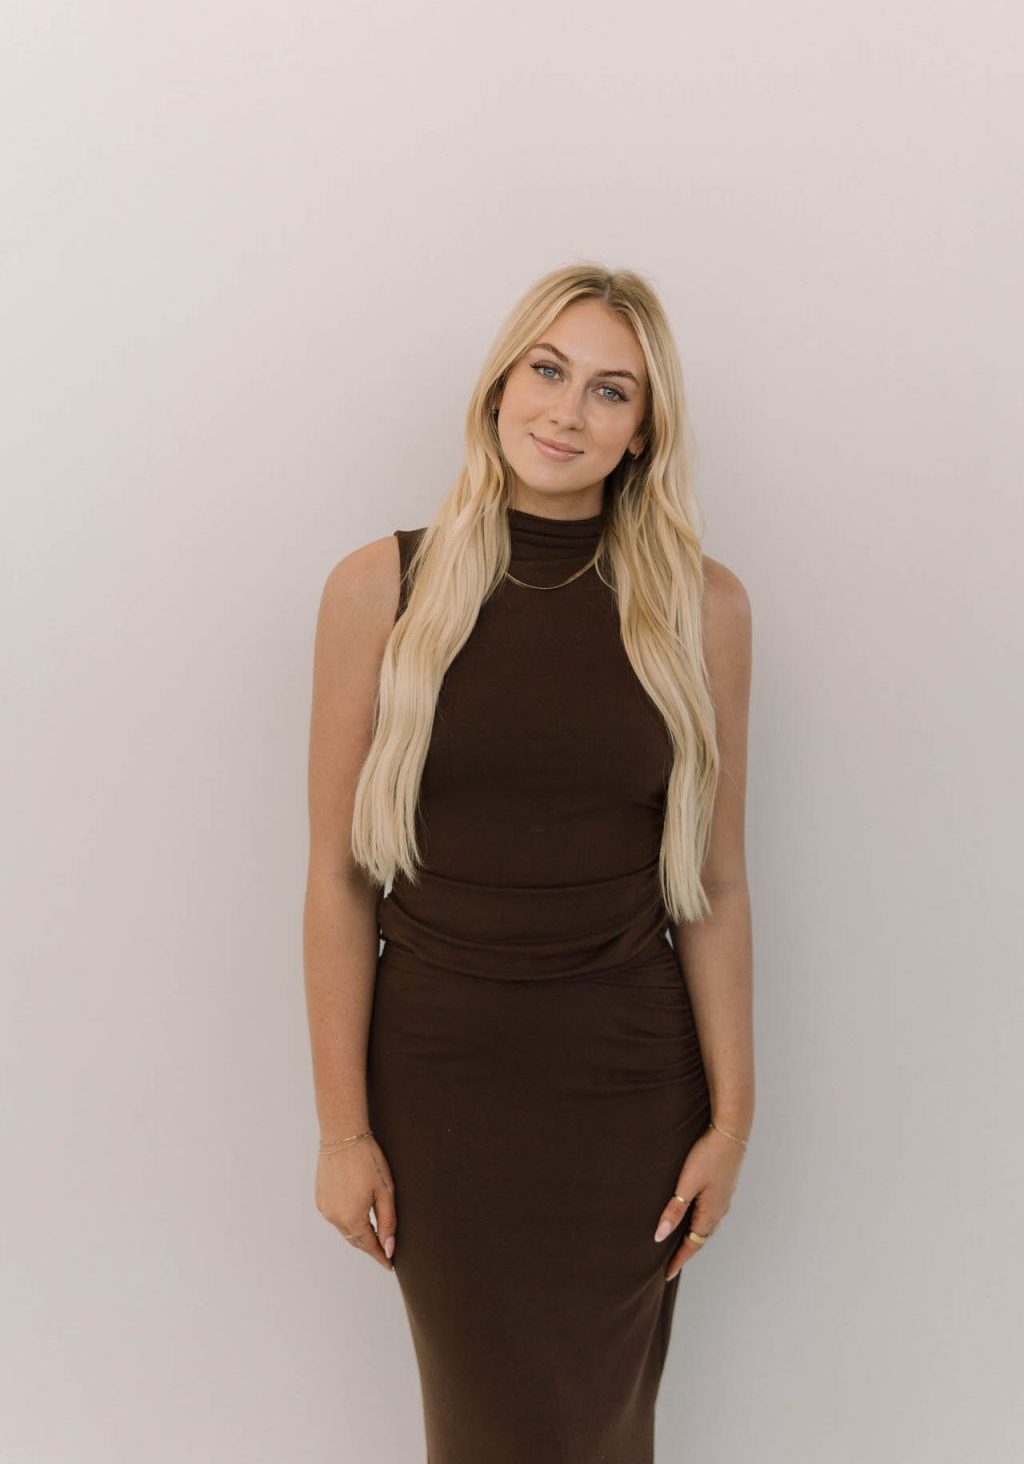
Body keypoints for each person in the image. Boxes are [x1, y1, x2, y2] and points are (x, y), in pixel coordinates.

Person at [302, 262, 754, 1463]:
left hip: (630, 1093)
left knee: (605, 1428)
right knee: (482, 1429)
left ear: (642, 430)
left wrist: (732, 1121)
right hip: (440, 1089)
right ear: (500, 385)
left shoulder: (701, 609)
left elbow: (712, 886)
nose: (567, 411)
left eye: (611, 390)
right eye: (548, 371)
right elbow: (339, 879)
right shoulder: (378, 589)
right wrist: (343, 1132)